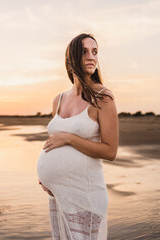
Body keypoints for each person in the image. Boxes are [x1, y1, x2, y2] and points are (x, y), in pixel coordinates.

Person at [37, 33, 119, 240]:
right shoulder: (58, 100)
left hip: (87, 196)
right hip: (60, 196)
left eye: (95, 51)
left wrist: (70, 139)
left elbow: (110, 151)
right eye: (84, 52)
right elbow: (55, 141)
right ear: (70, 59)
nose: (91, 57)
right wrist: (50, 180)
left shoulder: (103, 97)